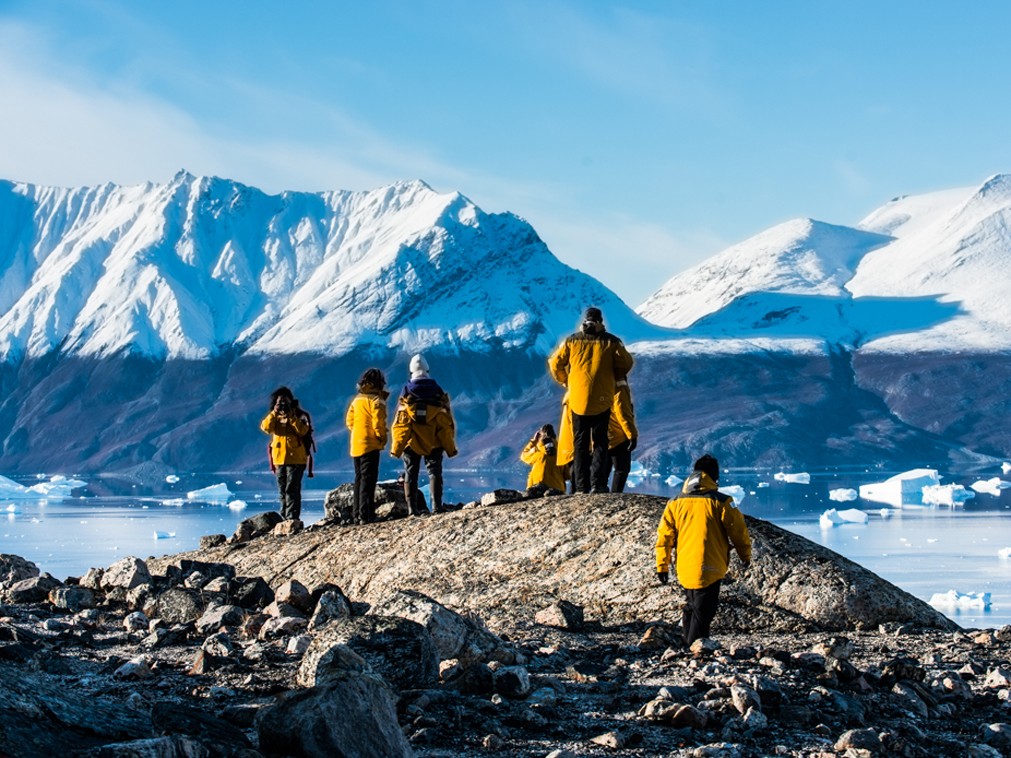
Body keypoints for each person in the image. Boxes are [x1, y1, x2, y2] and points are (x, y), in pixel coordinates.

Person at [654, 454, 752, 645]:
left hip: (685, 566)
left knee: (691, 606)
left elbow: (664, 536)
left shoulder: (675, 502)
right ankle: (696, 648)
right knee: (703, 611)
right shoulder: (722, 501)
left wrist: (662, 565)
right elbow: (738, 531)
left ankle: (687, 644)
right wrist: (744, 554)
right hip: (711, 566)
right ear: (715, 478)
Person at [548, 307, 634, 493]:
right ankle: (598, 484)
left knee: (580, 444)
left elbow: (555, 364)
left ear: (585, 320)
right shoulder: (611, 342)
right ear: (601, 321)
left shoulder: (571, 340)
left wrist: (567, 382)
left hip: (577, 399)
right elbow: (627, 362)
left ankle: (580, 486)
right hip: (602, 398)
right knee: (600, 442)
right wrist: (614, 375)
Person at [390, 354, 458, 514]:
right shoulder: (438, 392)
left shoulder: (405, 394)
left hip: (411, 441)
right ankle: (437, 506)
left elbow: (401, 425)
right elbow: (446, 422)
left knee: (410, 473)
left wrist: (397, 448)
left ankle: (412, 509)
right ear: (427, 369)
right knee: (434, 472)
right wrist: (450, 447)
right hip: (435, 439)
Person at [345, 368, 389, 525]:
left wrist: (358, 433)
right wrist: (381, 439)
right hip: (370, 445)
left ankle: (357, 514)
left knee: (359, 479)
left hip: (356, 444)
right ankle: (367, 515)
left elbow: (349, 421)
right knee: (368, 481)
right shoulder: (376, 401)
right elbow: (379, 423)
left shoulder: (357, 400)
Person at [260, 386, 311, 521]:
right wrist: (274, 413)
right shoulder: (274, 417)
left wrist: (291, 416)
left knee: (292, 489)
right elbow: (265, 428)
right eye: (280, 403)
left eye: (285, 403)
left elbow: (302, 431)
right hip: (279, 459)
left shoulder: (300, 415)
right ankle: (284, 519)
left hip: (296, 459)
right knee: (283, 491)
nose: (282, 406)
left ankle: (292, 518)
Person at [604, 378, 638, 493]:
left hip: (601, 435)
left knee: (603, 468)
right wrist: (632, 435)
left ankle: (600, 493)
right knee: (621, 469)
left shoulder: (600, 387)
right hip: (618, 436)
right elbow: (623, 414)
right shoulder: (619, 388)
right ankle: (615, 495)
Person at [520, 423, 566, 492]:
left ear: (539, 438)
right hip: (557, 488)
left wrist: (533, 441)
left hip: (537, 489)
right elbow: (567, 475)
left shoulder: (537, 453)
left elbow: (524, 456)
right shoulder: (561, 454)